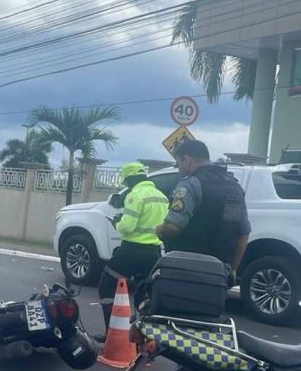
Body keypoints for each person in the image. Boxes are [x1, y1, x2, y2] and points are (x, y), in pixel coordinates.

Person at [156, 140, 250, 281]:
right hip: (218, 273)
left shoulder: (190, 183)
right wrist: (233, 269)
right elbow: (243, 233)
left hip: (186, 270)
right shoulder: (235, 187)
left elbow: (173, 227)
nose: (179, 169)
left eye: (178, 164)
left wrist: (160, 229)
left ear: (186, 160)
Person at [96, 162, 169, 342]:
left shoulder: (134, 196)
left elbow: (127, 227)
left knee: (106, 284)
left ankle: (112, 334)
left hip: (131, 252)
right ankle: (143, 339)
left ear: (129, 180)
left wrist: (117, 223)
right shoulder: (162, 197)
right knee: (143, 294)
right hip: (154, 253)